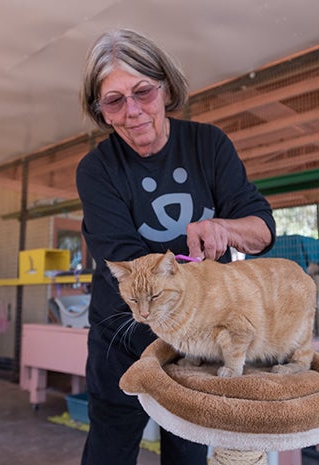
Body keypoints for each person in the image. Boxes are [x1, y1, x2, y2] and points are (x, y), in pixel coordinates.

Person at [75, 28, 276, 465]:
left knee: (188, 448)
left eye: (143, 92)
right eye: (114, 100)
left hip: (199, 336)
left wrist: (225, 227)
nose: (133, 112)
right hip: (124, 334)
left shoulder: (209, 145)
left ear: (165, 88)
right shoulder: (97, 169)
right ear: (101, 112)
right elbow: (125, 259)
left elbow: (261, 230)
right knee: (110, 443)